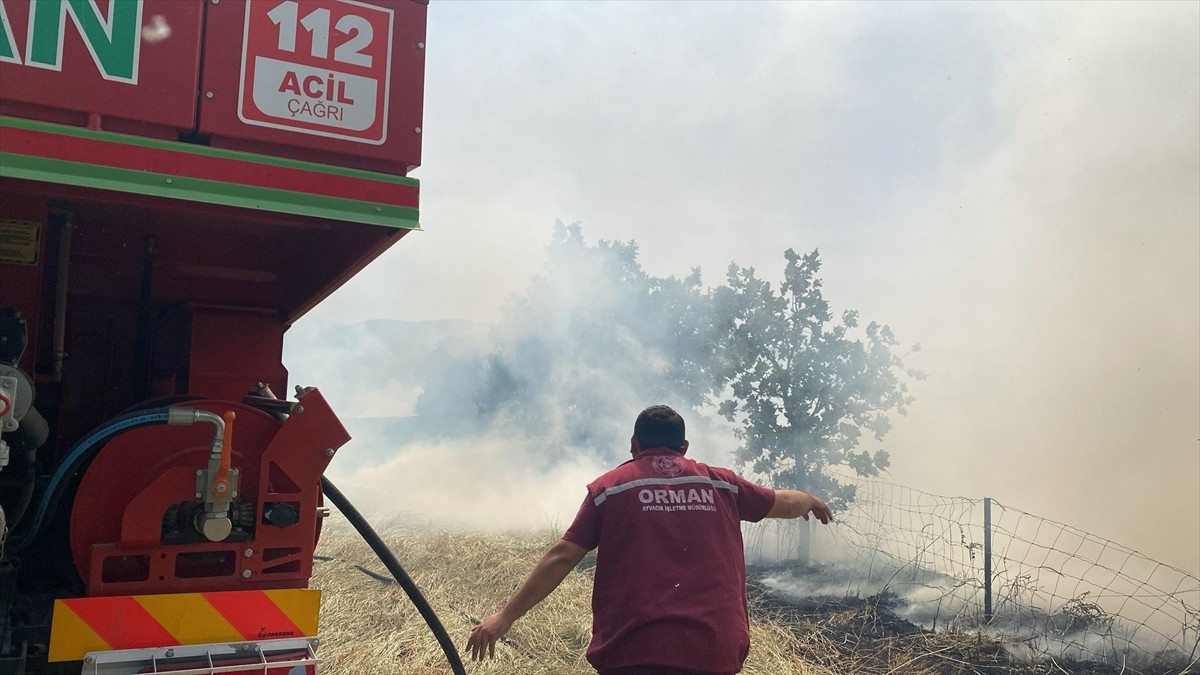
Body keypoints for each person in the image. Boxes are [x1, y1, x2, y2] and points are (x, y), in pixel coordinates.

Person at [466, 404, 833, 674]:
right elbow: (785, 502)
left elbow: (563, 556)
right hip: (713, 651)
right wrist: (812, 500)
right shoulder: (722, 484)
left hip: (634, 651)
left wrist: (504, 617)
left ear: (633, 443)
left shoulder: (610, 489)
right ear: (684, 447)